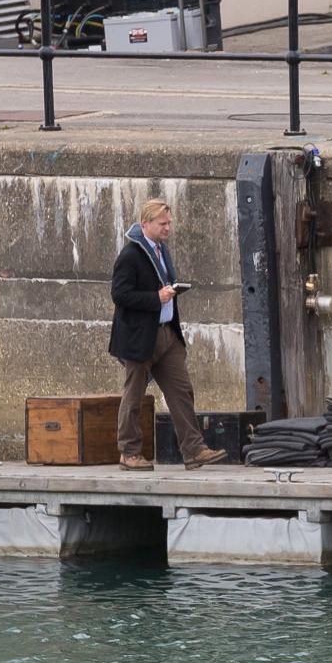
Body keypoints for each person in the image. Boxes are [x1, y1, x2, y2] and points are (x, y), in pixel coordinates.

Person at [109, 199, 225, 471]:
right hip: (140, 338)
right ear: (145, 224)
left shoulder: (161, 251)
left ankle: (194, 450)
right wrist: (156, 297)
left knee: (181, 392)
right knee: (133, 396)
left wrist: (169, 293)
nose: (168, 228)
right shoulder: (130, 255)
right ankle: (129, 451)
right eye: (162, 223)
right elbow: (120, 295)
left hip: (166, 334)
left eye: (169, 223)